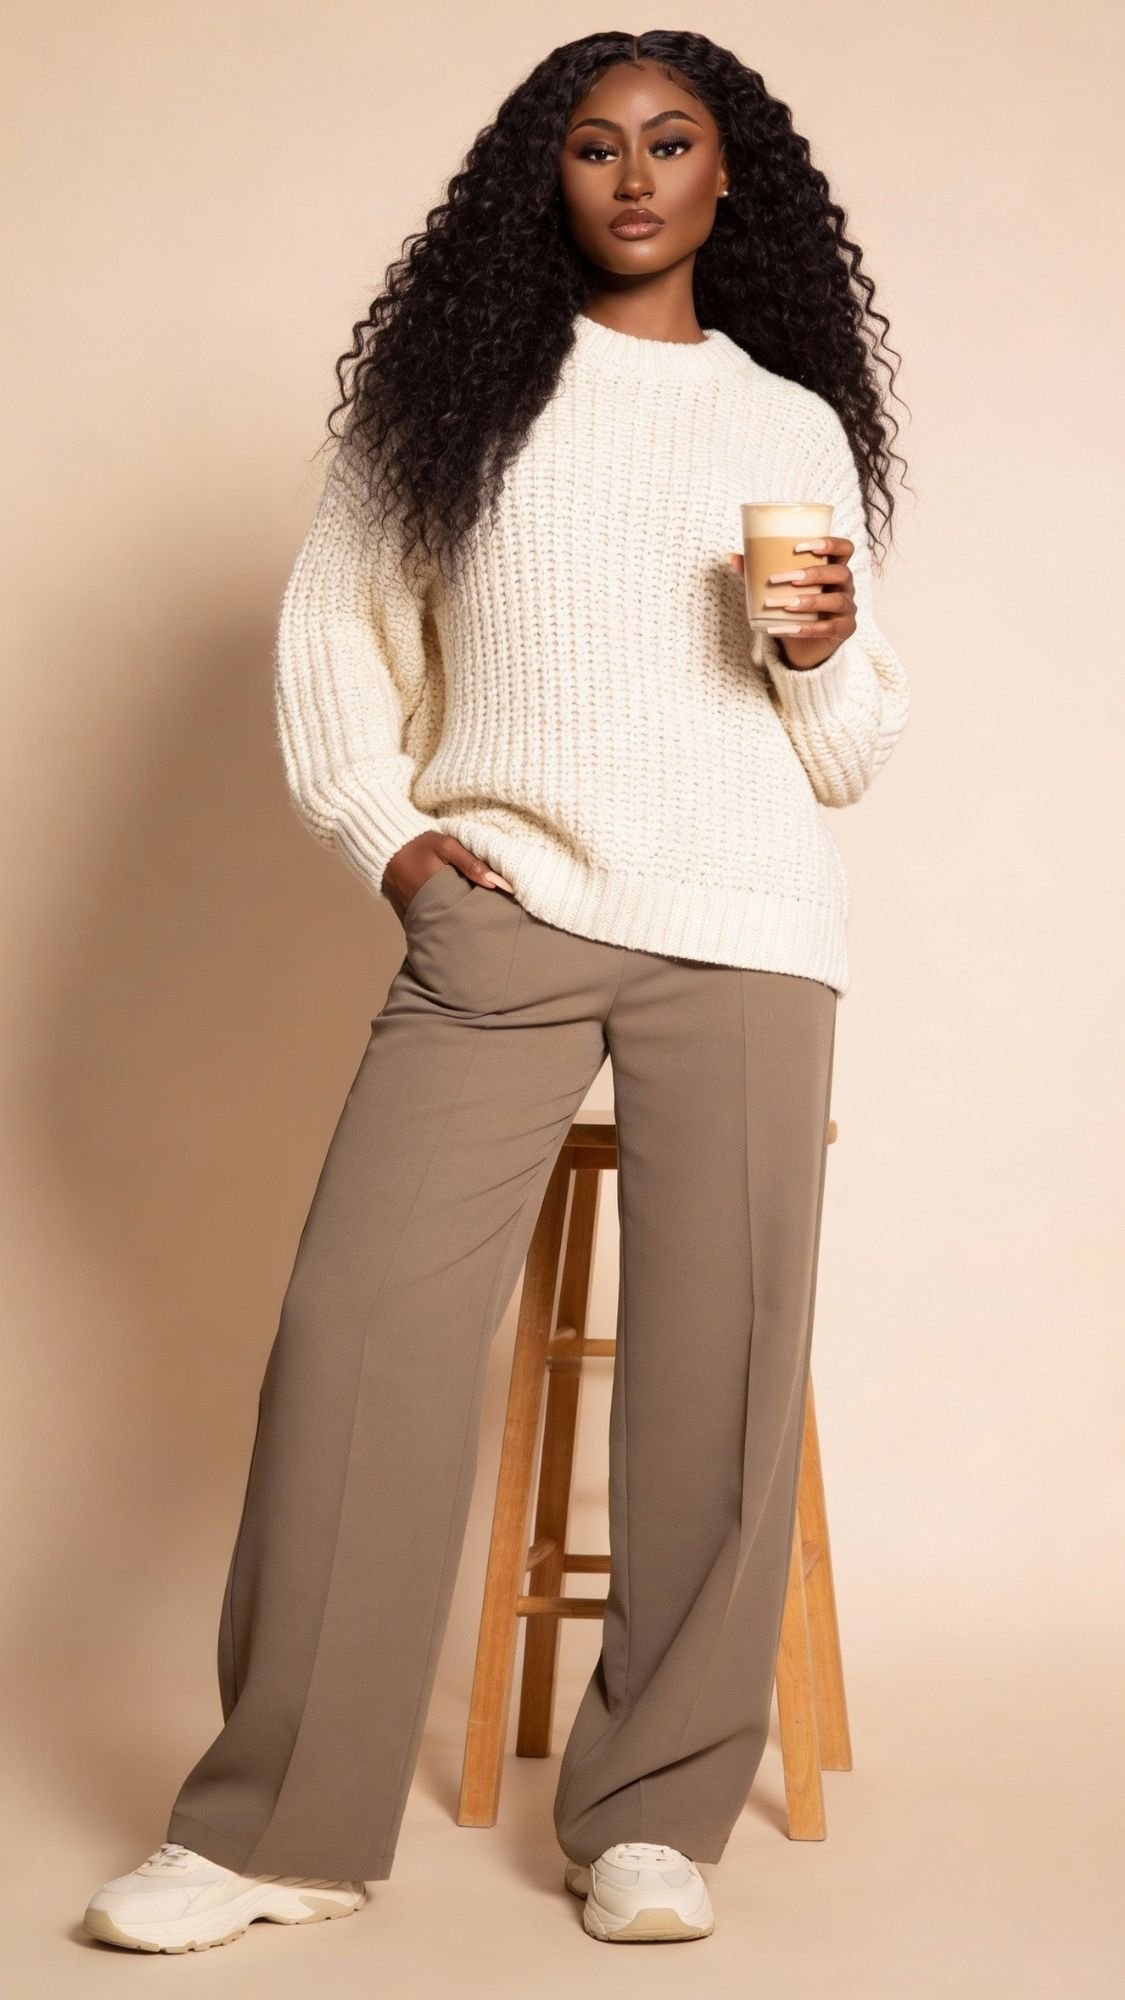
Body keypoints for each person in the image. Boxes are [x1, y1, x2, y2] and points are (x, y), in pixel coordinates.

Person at [83, 28, 910, 1953]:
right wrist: (392, 841)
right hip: (508, 911)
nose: (631, 176)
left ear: (731, 179)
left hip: (748, 929)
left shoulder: (787, 423)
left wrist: (823, 647)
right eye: (594, 146)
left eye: (671, 142)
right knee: (358, 1338)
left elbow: (849, 748)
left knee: (717, 1371)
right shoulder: (451, 395)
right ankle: (274, 1826)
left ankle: (648, 1814)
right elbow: (331, 646)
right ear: (543, 180)